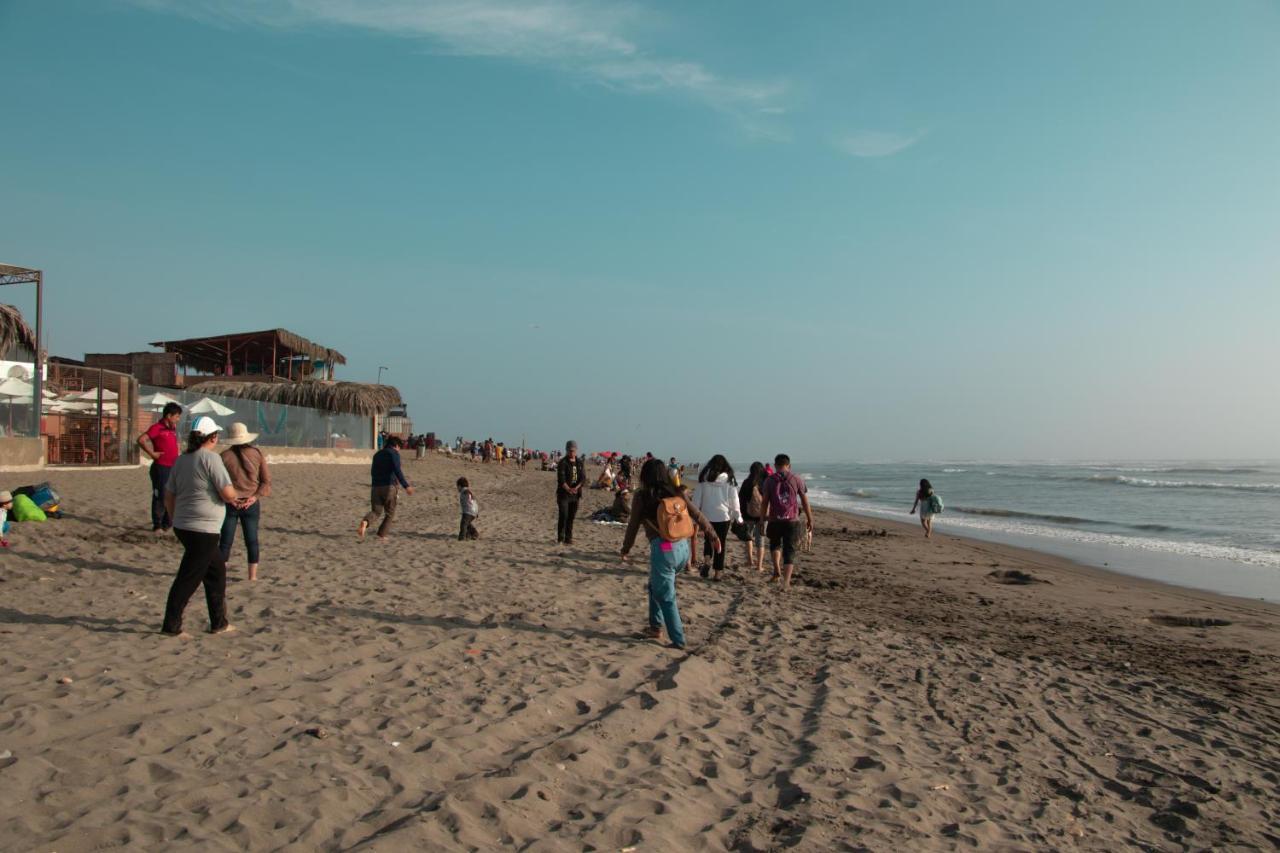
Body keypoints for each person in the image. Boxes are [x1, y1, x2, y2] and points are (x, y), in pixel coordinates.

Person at [620, 458, 719, 650]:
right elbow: (696, 513)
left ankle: (678, 640)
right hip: (683, 548)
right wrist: (713, 535)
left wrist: (625, 549)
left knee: (666, 596)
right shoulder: (676, 492)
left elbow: (633, 526)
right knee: (654, 586)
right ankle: (655, 627)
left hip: (665, 550)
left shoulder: (642, 496)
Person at [160, 416, 239, 637]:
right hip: (202, 529)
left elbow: (169, 495)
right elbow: (226, 492)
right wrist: (236, 497)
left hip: (185, 526)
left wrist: (176, 518)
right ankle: (171, 626)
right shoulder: (210, 459)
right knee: (188, 578)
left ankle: (219, 622)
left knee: (216, 572)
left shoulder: (181, 460)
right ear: (212, 437)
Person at [219, 422, 271, 582]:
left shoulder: (224, 456)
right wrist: (254, 497)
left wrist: (230, 498)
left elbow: (218, 483)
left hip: (230, 503)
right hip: (251, 502)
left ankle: (221, 574)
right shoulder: (256, 454)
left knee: (226, 541)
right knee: (252, 540)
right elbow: (266, 482)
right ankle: (252, 576)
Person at [761, 454, 814, 592]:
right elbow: (804, 500)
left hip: (774, 519)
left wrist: (762, 519)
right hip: (792, 520)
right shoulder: (797, 479)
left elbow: (765, 501)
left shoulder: (769, 480)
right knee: (789, 550)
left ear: (775, 465)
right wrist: (810, 518)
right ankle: (786, 582)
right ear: (789, 465)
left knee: (775, 545)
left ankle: (777, 571)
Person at [692, 454, 742, 581]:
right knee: (722, 543)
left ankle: (707, 561)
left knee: (708, 541)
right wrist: (738, 516)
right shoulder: (729, 480)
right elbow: (734, 500)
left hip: (706, 516)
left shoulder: (704, 478)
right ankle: (717, 573)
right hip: (724, 517)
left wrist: (695, 516)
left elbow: (697, 499)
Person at [359, 435, 414, 540]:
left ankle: (365, 522)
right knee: (390, 513)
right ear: (396, 446)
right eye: (399, 447)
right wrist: (406, 486)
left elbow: (372, 471)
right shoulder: (394, 454)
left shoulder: (377, 455)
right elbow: (397, 470)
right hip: (389, 486)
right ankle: (381, 535)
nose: (399, 450)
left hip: (375, 487)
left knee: (376, 511)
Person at [138, 402, 182, 532]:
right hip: (161, 467)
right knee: (160, 495)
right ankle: (157, 524)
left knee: (173, 494)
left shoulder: (172, 428)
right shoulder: (156, 428)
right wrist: (151, 453)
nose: (178, 419)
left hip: (173, 467)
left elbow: (175, 445)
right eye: (177, 416)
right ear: (169, 415)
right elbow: (141, 439)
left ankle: (167, 523)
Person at [738, 461, 768, 573]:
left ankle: (750, 561)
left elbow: (741, 499)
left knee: (748, 537)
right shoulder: (766, 482)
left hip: (748, 514)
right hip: (763, 515)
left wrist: (741, 513)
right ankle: (759, 566)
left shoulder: (747, 482)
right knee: (761, 540)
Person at [556, 440, 586, 544]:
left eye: (573, 450)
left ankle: (568, 538)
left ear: (576, 451)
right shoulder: (563, 463)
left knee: (571, 516)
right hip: (564, 494)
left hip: (576, 494)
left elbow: (583, 478)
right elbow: (561, 479)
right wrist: (568, 489)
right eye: (569, 450)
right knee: (564, 515)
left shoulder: (580, 463)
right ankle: (560, 537)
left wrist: (576, 488)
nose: (571, 452)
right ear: (566, 450)